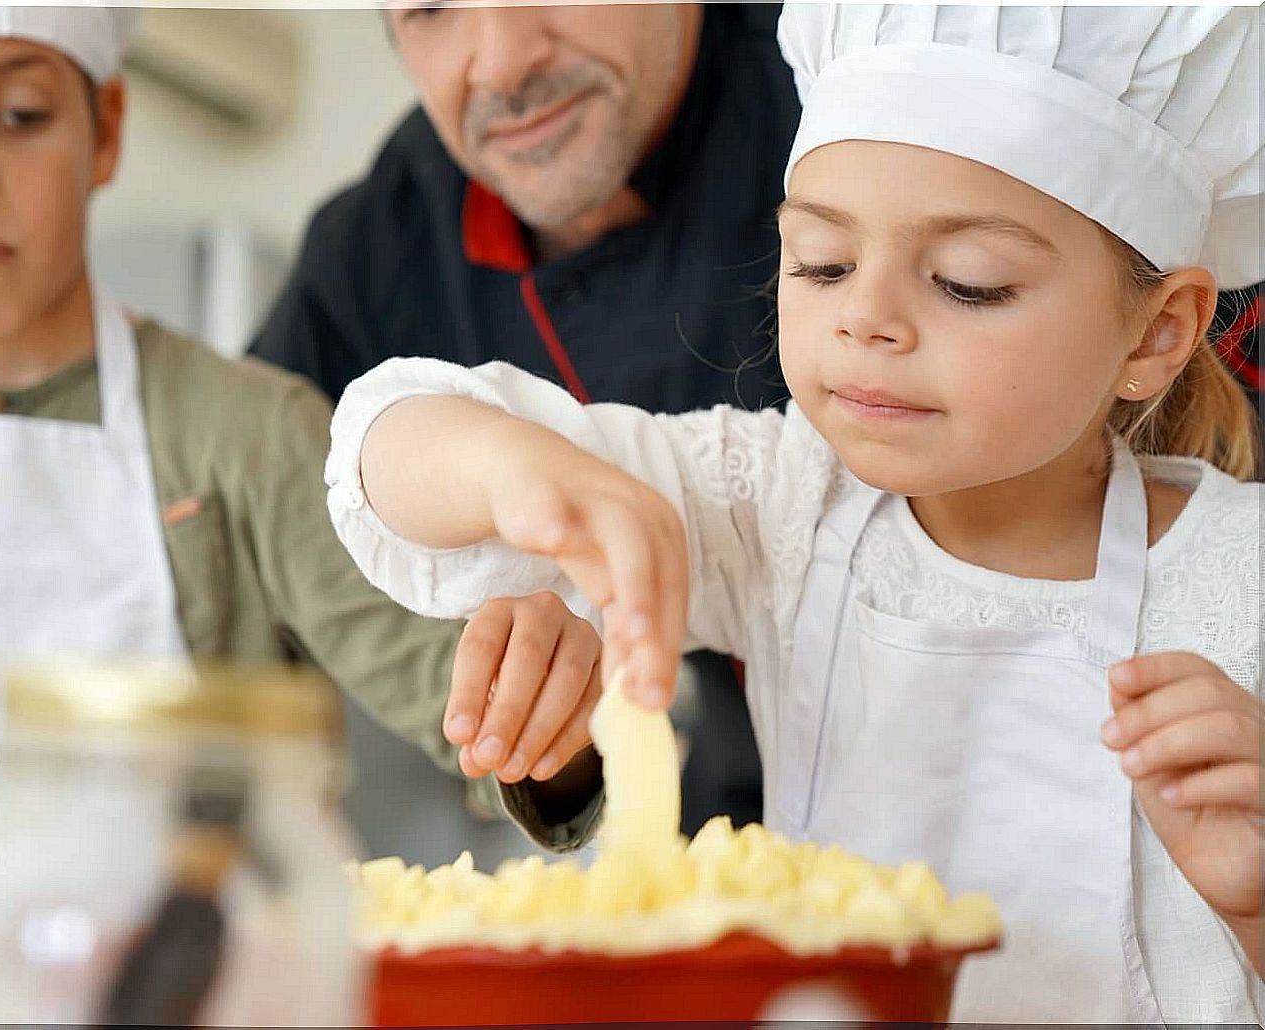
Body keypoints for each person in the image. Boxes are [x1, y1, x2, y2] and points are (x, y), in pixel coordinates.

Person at [323, 4, 1263, 1022]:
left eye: (966, 282)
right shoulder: (783, 504)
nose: (863, 317)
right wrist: (521, 468)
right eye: (820, 262)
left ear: (1157, 334)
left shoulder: (1240, 580)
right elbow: (381, 440)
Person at [0, 5, 600, 963]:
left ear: (106, 130)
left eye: (19, 113)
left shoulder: (247, 432)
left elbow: (476, 713)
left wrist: (549, 709)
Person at [253, 1, 805, 834]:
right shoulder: (379, 247)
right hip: (723, 840)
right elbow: (291, 500)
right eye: (431, 6)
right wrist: (537, 716)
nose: (504, 60)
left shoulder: (835, 96)